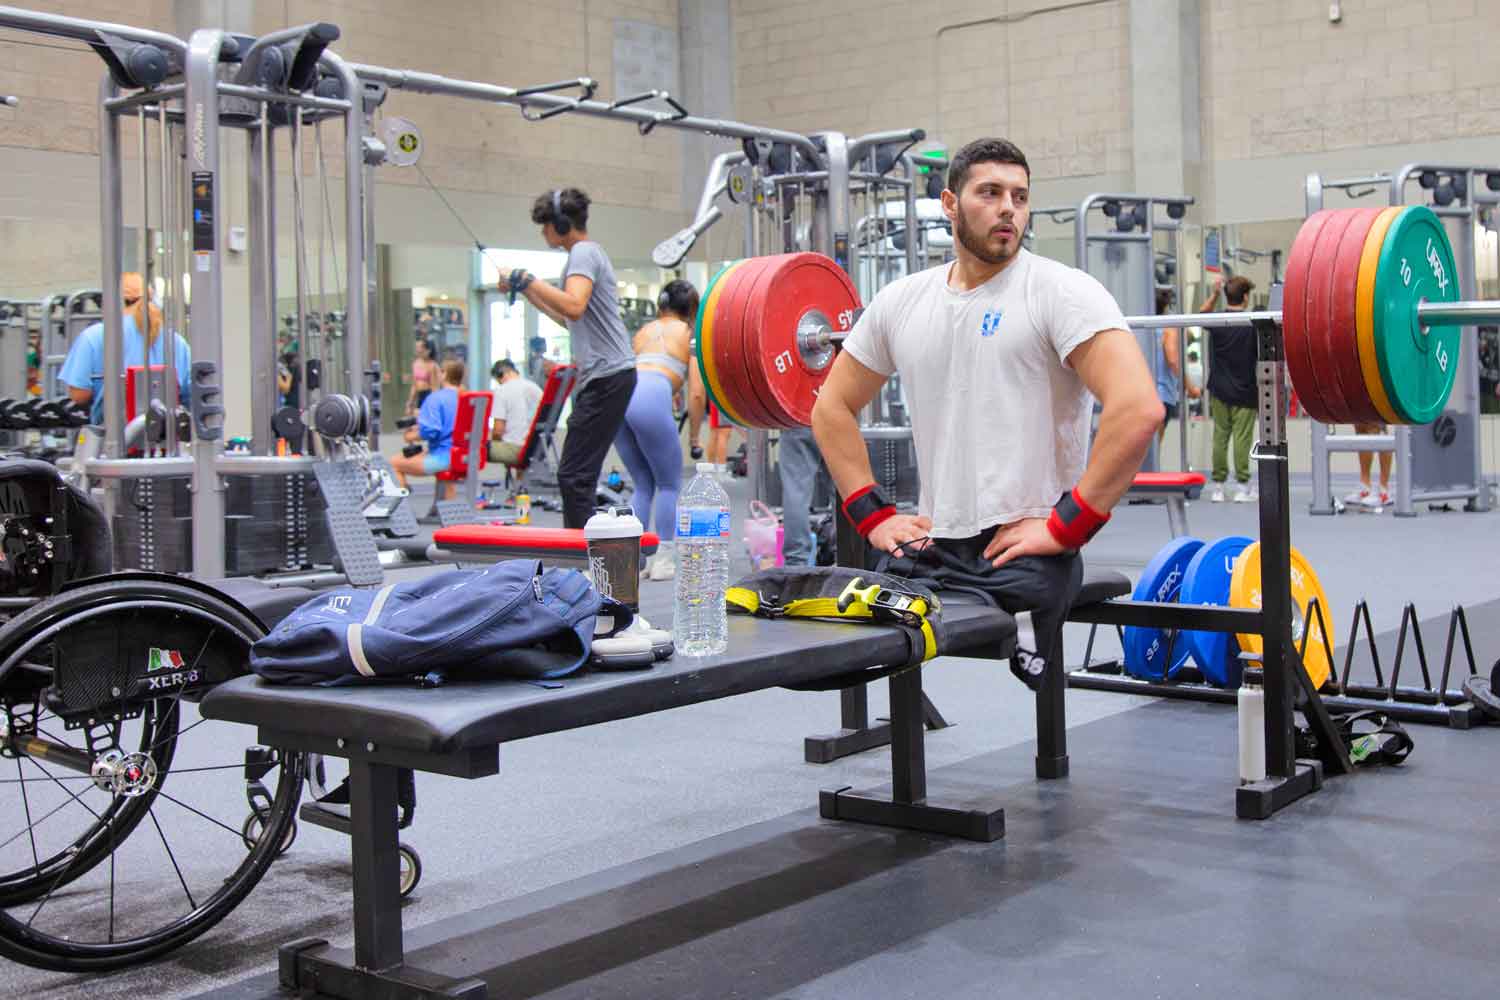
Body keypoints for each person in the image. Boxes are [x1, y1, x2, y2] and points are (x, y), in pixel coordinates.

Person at [811, 137, 1161, 690]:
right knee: (857, 627)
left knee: (1024, 642)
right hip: (932, 544)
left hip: (1023, 547)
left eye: (1020, 197)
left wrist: (1069, 523)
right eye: (990, 193)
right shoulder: (904, 300)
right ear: (950, 204)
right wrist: (872, 515)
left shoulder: (1061, 292)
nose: (1008, 209)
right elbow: (830, 406)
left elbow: (1139, 407)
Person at [497, 187, 638, 528]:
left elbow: (573, 304)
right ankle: (586, 559)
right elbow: (569, 316)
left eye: (545, 226)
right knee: (578, 475)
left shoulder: (583, 253)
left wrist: (527, 277)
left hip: (608, 376)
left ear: (560, 224)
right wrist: (527, 290)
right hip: (608, 376)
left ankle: (583, 563)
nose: (543, 233)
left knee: (574, 475)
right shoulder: (587, 254)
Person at [614, 279, 700, 580]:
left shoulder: (643, 331)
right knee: (668, 484)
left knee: (642, 484)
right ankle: (664, 558)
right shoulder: (688, 334)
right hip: (650, 393)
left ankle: (629, 559)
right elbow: (698, 394)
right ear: (691, 309)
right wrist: (694, 438)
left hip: (619, 395)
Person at [59, 272, 191, 425]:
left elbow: (79, 395)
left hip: (111, 438)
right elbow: (189, 394)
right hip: (165, 436)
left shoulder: (94, 337)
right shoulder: (175, 341)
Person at [1200, 274, 1258, 502]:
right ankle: (1242, 486)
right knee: (1242, 439)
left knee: (1220, 437)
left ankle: (1218, 487)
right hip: (1244, 390)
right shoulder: (1252, 322)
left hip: (1219, 389)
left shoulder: (1218, 321)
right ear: (1245, 297)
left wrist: (1214, 294)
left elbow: (1199, 315)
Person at [390, 359, 463, 489]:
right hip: (465, 456)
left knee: (393, 463)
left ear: (444, 374)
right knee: (425, 455)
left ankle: (399, 502)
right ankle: (443, 506)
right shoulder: (467, 397)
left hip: (442, 458)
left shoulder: (436, 398)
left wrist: (410, 436)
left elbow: (431, 431)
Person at [777, 426, 832, 566]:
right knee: (843, 489)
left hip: (797, 419)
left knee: (796, 490)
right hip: (835, 414)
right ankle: (845, 554)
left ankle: (796, 561)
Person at [488, 357, 543, 471]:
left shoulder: (501, 391)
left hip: (515, 450)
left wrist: (494, 441)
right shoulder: (535, 388)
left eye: (498, 381)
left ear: (501, 375)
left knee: (475, 449)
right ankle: (520, 484)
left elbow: (498, 430)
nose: (499, 384)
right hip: (536, 448)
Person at [407, 338, 441, 415]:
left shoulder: (433, 366)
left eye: (420, 348)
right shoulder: (415, 363)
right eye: (417, 347)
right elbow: (414, 385)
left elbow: (435, 387)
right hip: (420, 395)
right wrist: (410, 403)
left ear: (428, 350)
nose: (418, 350)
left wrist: (433, 405)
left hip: (428, 395)